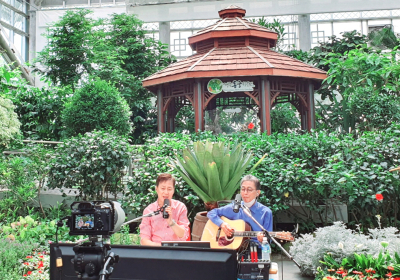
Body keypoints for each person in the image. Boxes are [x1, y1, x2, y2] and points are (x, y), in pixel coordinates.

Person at [207, 174, 273, 245]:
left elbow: (268, 240)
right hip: (232, 249)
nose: (245, 193)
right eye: (243, 189)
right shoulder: (234, 207)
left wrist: (263, 240)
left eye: (249, 190)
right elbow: (211, 213)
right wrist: (222, 224)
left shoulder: (265, 212)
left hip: (255, 251)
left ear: (257, 193)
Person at [139, 173, 190, 246]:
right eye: (163, 188)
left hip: (176, 252)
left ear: (173, 190)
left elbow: (183, 235)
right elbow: (144, 241)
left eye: (169, 189)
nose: (166, 192)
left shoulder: (180, 207)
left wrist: (171, 222)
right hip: (156, 252)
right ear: (156, 189)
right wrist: (163, 247)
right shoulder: (149, 211)